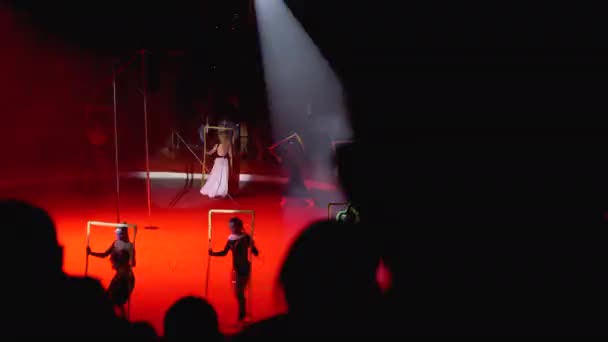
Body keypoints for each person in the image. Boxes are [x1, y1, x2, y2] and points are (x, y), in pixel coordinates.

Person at [208, 217, 259, 323]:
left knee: (239, 293)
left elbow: (254, 250)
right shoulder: (231, 238)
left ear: (239, 227)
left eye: (233, 226)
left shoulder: (245, 237)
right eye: (230, 226)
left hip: (244, 267)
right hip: (236, 268)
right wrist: (213, 253)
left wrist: (254, 249)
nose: (231, 228)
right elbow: (224, 252)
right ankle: (242, 313)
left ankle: (242, 313)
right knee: (238, 292)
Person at [87, 225, 136, 318]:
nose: (117, 235)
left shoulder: (129, 247)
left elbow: (133, 264)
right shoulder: (115, 244)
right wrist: (91, 253)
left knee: (117, 300)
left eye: (119, 233)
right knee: (110, 298)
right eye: (116, 233)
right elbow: (105, 254)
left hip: (126, 278)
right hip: (118, 277)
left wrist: (125, 255)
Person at [200, 131, 232, 198]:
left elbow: (211, 152)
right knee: (223, 177)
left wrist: (207, 153)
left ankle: (216, 190)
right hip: (225, 162)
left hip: (219, 161)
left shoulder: (218, 144)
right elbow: (230, 155)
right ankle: (221, 190)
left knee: (216, 176)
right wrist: (231, 164)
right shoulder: (229, 143)